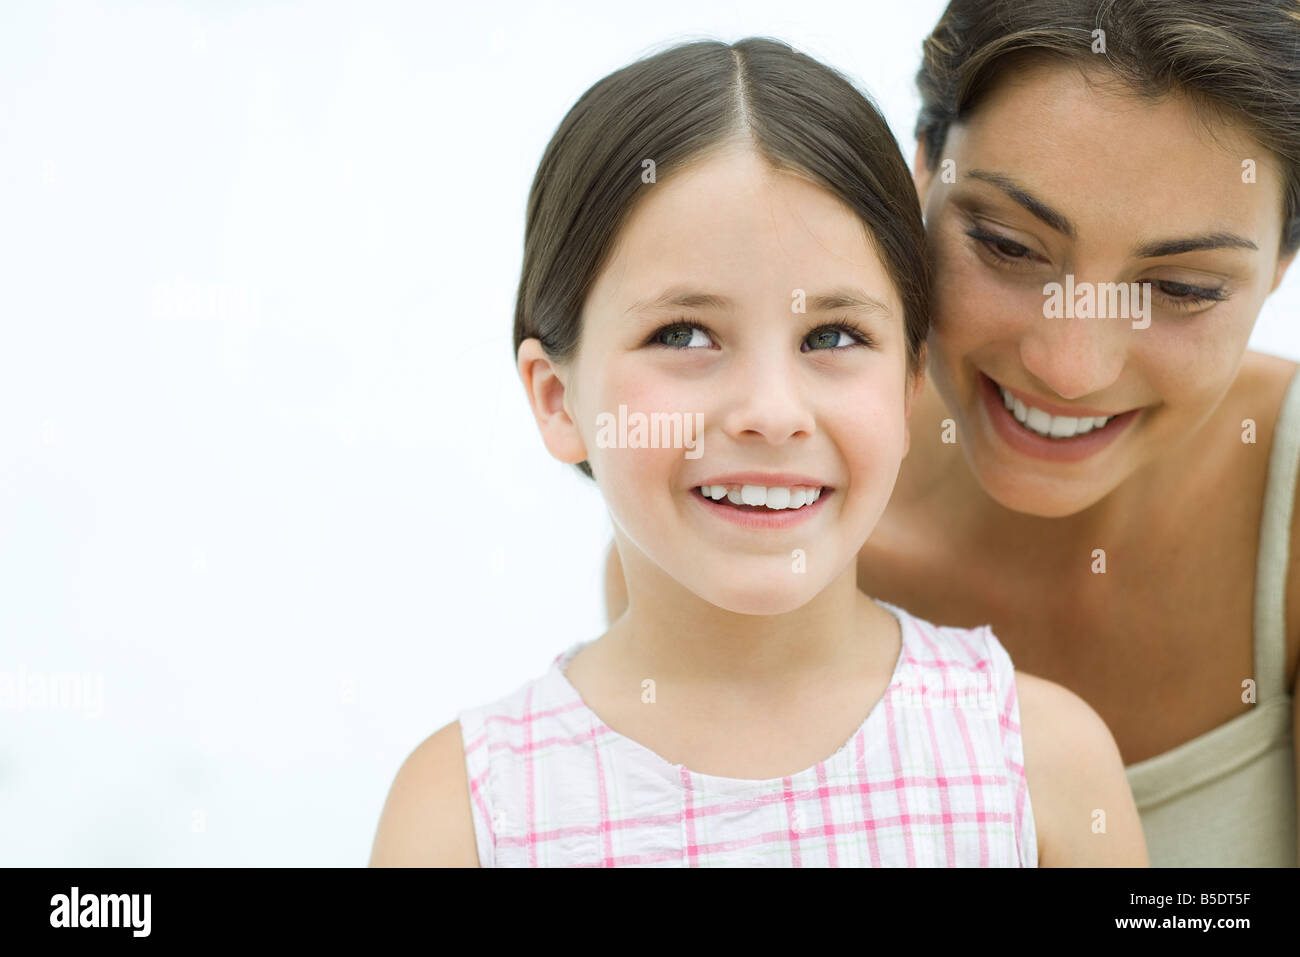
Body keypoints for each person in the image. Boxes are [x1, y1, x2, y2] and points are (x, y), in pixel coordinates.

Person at [370, 37, 1147, 867]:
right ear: (559, 399)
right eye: (684, 333)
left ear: (908, 382)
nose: (771, 413)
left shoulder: (1038, 761)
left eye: (833, 335)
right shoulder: (464, 812)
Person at [607, 1, 1300, 867]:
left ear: (1278, 266)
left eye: (1185, 288)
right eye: (1009, 246)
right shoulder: (744, 516)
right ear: (921, 169)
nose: (1070, 364)